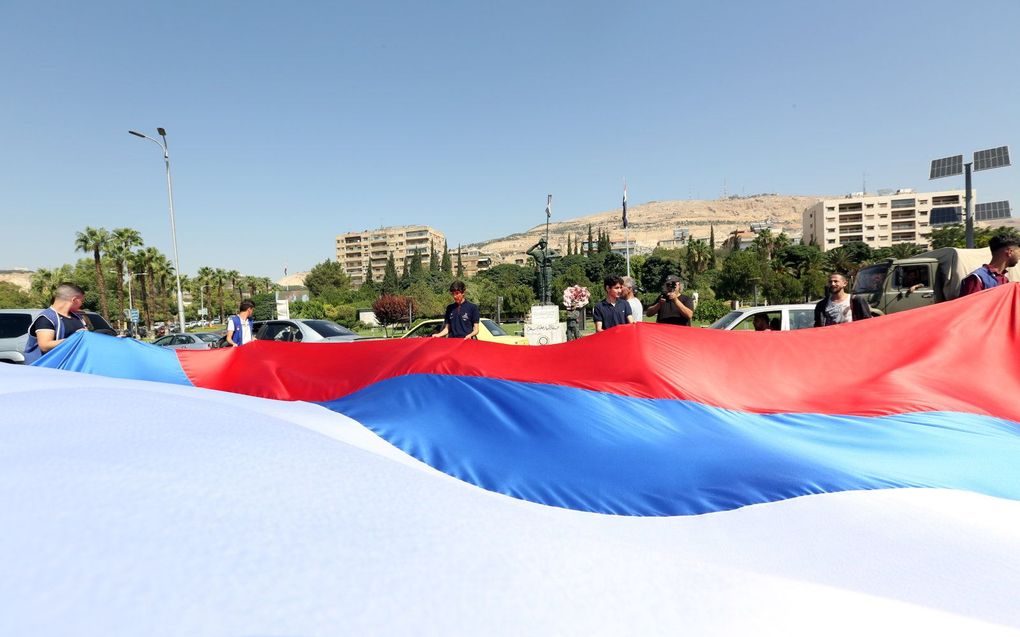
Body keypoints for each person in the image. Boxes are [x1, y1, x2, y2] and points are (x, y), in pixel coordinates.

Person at [23, 283, 88, 363]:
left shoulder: (78, 317)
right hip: (47, 369)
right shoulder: (46, 318)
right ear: (74, 300)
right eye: (82, 301)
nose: (82, 304)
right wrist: (75, 338)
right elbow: (45, 345)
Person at [959, 232, 1020, 297]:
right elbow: (969, 305)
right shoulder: (977, 278)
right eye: (1019, 252)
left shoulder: (1005, 279)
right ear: (1009, 252)